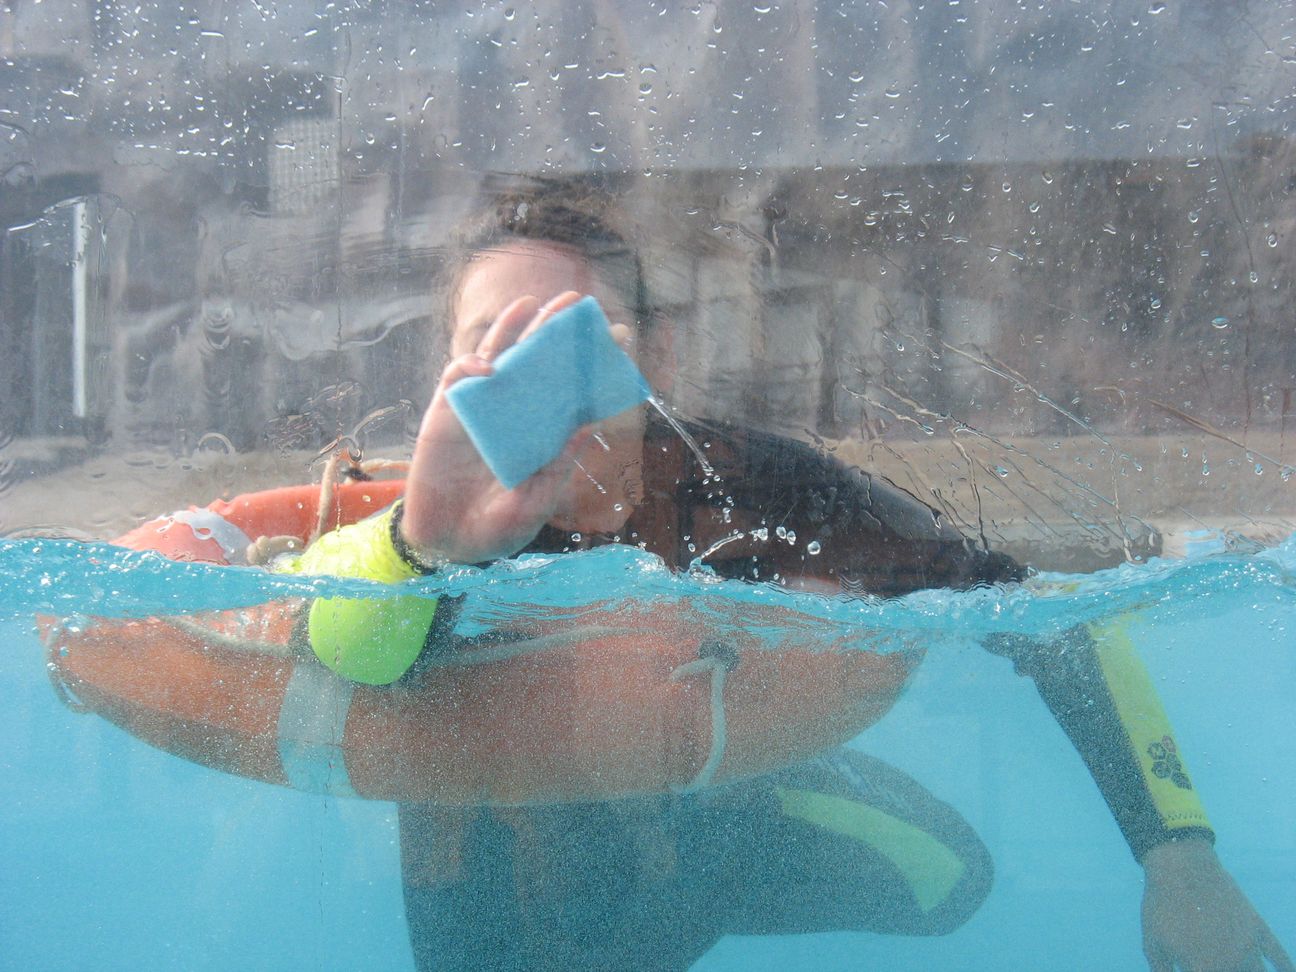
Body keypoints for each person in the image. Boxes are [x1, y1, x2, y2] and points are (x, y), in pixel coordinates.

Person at [286, 181, 1292, 972]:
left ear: (658, 352)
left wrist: (1181, 856)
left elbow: (1041, 614)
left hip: (714, 829)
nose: (535, 380)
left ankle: (718, 828)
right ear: (448, 383)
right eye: (492, 351)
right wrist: (424, 547)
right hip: (504, 888)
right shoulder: (420, 515)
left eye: (570, 338)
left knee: (951, 881)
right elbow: (325, 646)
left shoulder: (761, 488)